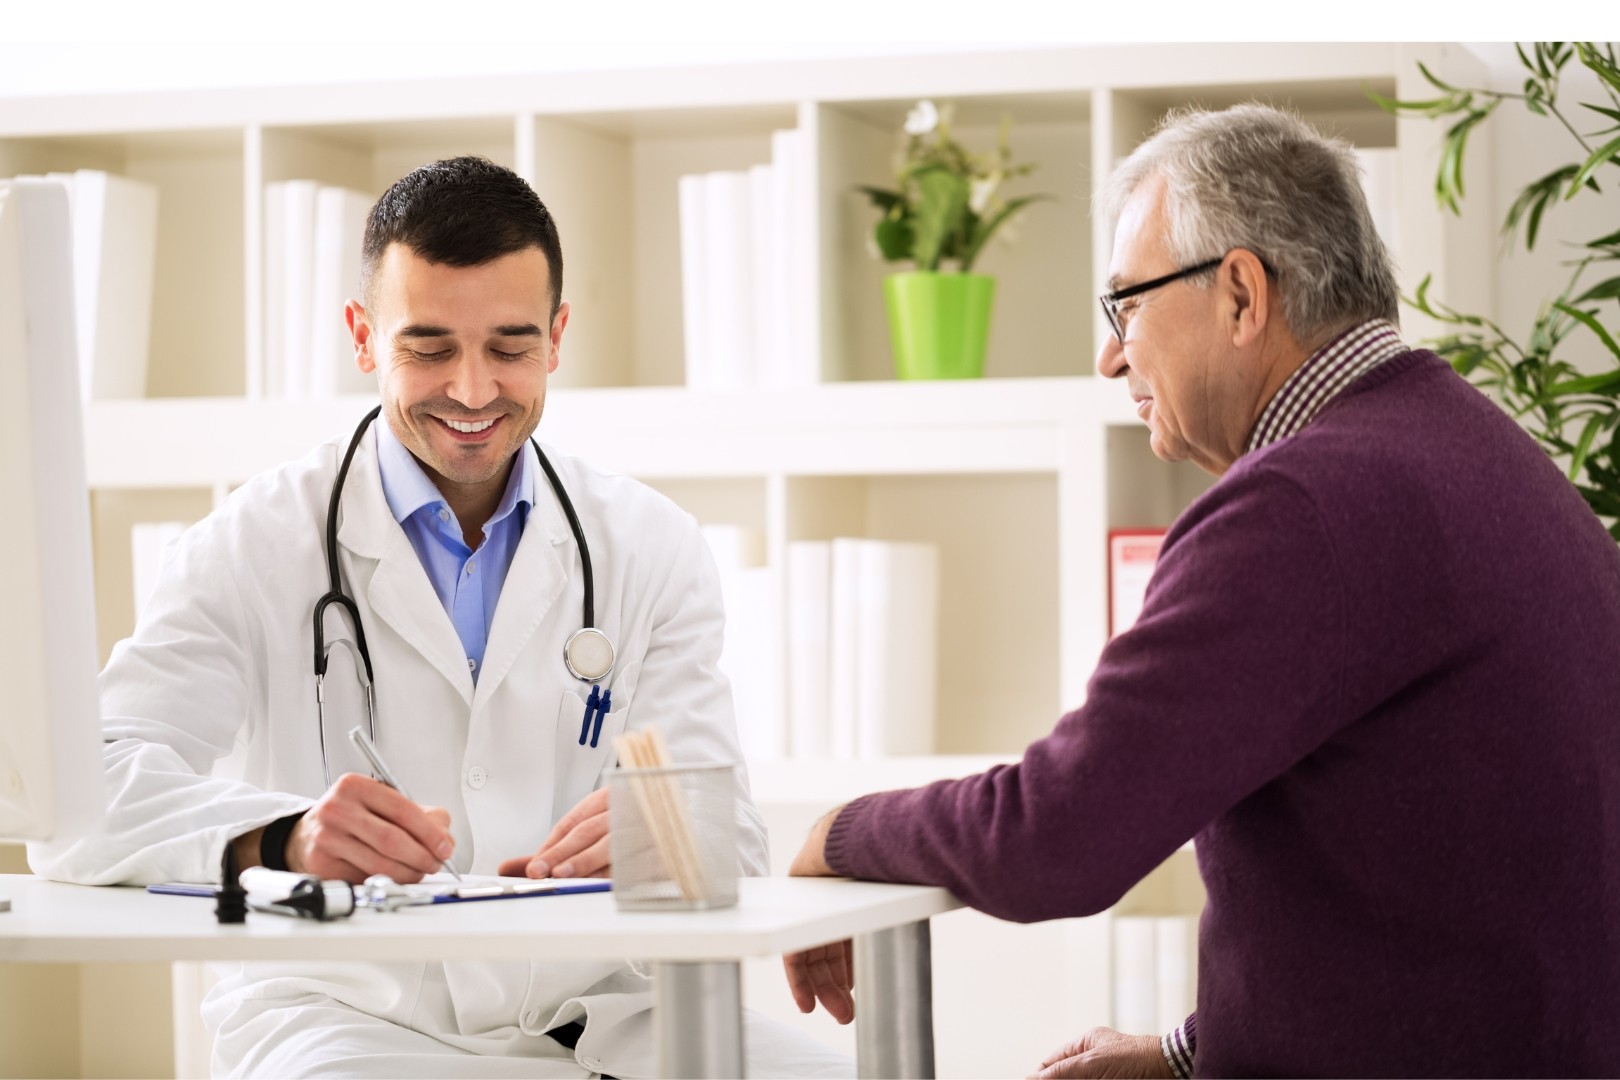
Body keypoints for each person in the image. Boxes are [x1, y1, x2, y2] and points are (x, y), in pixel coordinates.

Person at [781, 104, 1620, 1078]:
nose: (1110, 356)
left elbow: (1060, 834)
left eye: (1126, 305)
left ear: (1239, 295)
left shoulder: (1306, 503)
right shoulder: (1475, 448)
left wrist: (837, 834)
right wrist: (1188, 1052)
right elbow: (1434, 877)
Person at [32, 156, 849, 1079]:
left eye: (509, 346)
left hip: (608, 1013)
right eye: (427, 347)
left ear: (557, 336)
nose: (470, 391)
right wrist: (284, 836)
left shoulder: (649, 545)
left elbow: (728, 836)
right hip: (344, 1016)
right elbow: (75, 803)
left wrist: (661, 831)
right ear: (362, 337)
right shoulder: (252, 543)